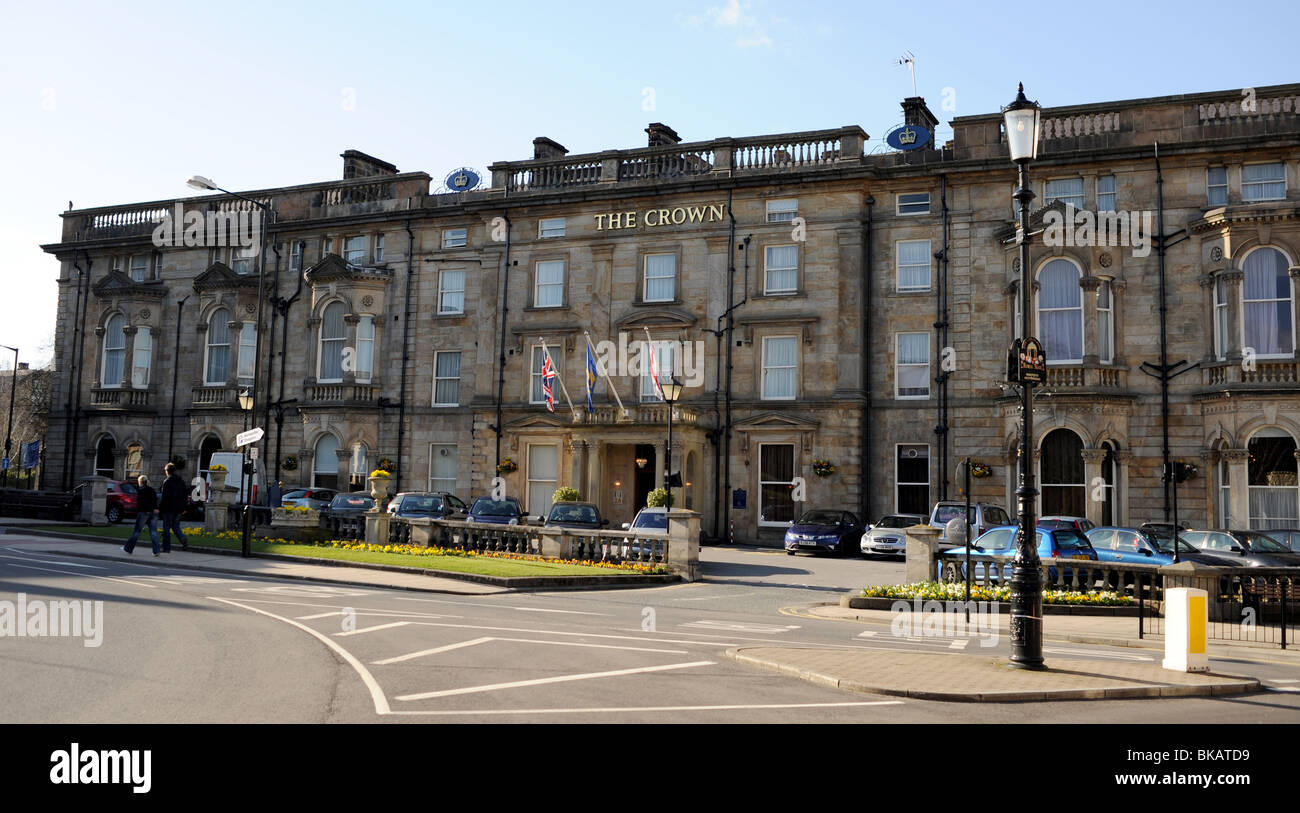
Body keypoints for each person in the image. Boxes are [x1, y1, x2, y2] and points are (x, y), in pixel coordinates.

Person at [122, 475, 161, 556]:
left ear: (140, 482)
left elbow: (141, 503)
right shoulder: (152, 490)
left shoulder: (141, 491)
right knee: (153, 531)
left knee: (137, 531)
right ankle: (156, 551)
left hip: (144, 512)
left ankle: (128, 548)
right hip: (153, 512)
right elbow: (155, 500)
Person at [158, 461, 189, 552]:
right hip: (179, 508)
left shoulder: (167, 481)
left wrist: (161, 509)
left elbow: (165, 497)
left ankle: (166, 548)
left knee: (166, 528)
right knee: (175, 526)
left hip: (168, 508)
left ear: (167, 471)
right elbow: (185, 495)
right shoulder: (181, 481)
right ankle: (182, 538)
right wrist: (184, 507)